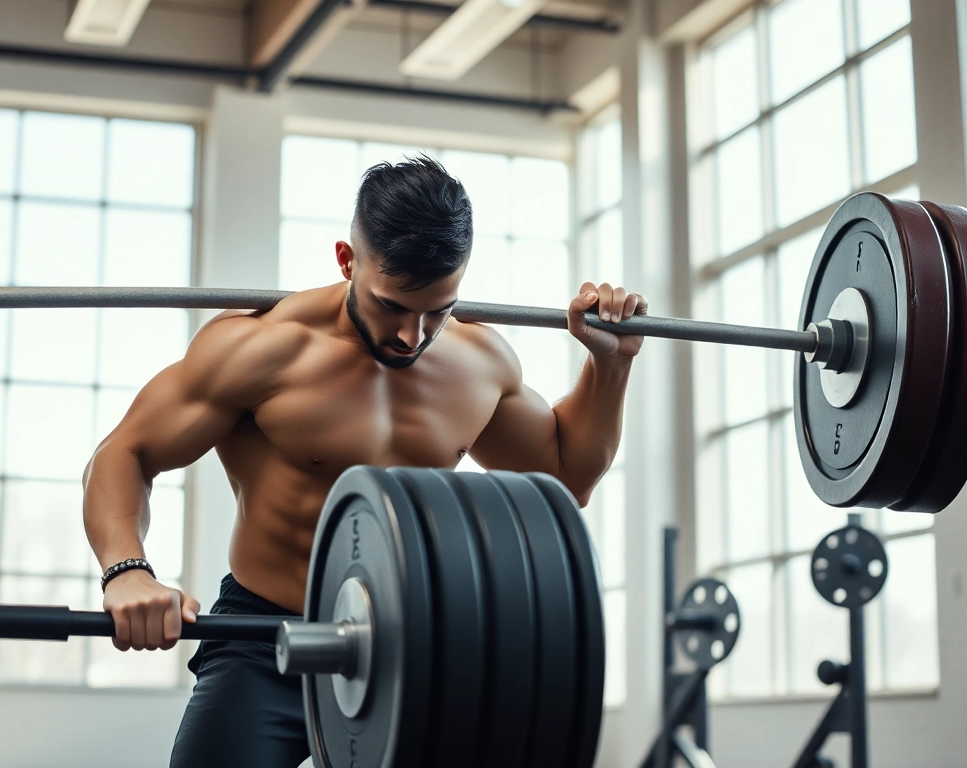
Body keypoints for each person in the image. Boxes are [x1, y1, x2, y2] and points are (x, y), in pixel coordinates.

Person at [81, 155, 645, 768]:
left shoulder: (479, 363)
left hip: (413, 636)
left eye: (439, 309)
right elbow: (124, 453)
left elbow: (566, 476)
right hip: (266, 637)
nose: (413, 337)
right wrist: (127, 571)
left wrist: (609, 367)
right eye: (393, 307)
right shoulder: (262, 350)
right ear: (348, 262)